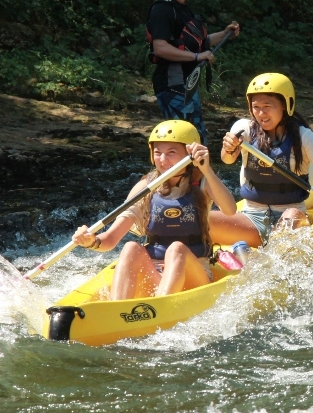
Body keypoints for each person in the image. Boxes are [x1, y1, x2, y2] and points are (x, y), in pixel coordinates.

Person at [72, 120, 237, 299]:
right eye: (158, 153)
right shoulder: (146, 187)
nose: (163, 160)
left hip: (194, 273)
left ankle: (161, 306)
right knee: (131, 247)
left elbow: (230, 209)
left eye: (171, 152)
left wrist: (207, 170)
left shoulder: (203, 181)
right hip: (156, 272)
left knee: (176, 249)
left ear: (190, 153)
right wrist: (91, 241)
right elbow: (111, 239)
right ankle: (117, 307)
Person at [211, 73, 313, 247]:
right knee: (204, 220)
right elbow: (227, 160)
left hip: (290, 215)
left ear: (285, 105)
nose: (261, 113)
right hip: (252, 218)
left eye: (267, 106)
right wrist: (229, 148)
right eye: (256, 107)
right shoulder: (243, 128)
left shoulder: (304, 136)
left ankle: (269, 254)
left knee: (291, 216)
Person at [146, 0, 240, 143]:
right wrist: (197, 57)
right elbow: (160, 48)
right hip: (172, 84)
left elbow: (201, 43)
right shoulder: (161, 10)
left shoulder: (185, 10)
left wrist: (225, 34)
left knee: (197, 139)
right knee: (185, 141)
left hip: (186, 85)